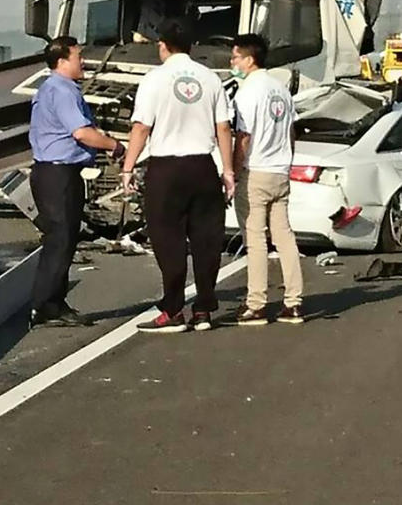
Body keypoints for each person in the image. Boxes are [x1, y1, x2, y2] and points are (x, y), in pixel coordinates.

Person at [121, 18, 235, 333]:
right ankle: (204, 310)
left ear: (163, 46)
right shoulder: (211, 78)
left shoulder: (154, 79)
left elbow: (141, 126)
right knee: (207, 240)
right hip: (203, 165)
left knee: (168, 239)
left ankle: (172, 310)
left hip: (166, 168)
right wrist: (228, 171)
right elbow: (223, 127)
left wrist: (128, 167)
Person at [28, 36, 126, 328]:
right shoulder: (62, 91)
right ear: (62, 61)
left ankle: (55, 302)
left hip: (59, 172)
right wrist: (114, 145)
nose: (83, 62)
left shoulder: (56, 88)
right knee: (60, 239)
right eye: (78, 56)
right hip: (57, 173)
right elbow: (81, 133)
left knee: (66, 238)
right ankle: (44, 305)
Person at [230, 34, 304, 325]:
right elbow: (291, 132)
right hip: (280, 169)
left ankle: (256, 304)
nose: (232, 62)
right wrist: (287, 162)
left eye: (235, 57)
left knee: (256, 239)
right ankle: (294, 302)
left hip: (256, 170)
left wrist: (234, 172)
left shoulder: (247, 92)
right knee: (285, 237)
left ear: (249, 60)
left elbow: (243, 137)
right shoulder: (280, 90)